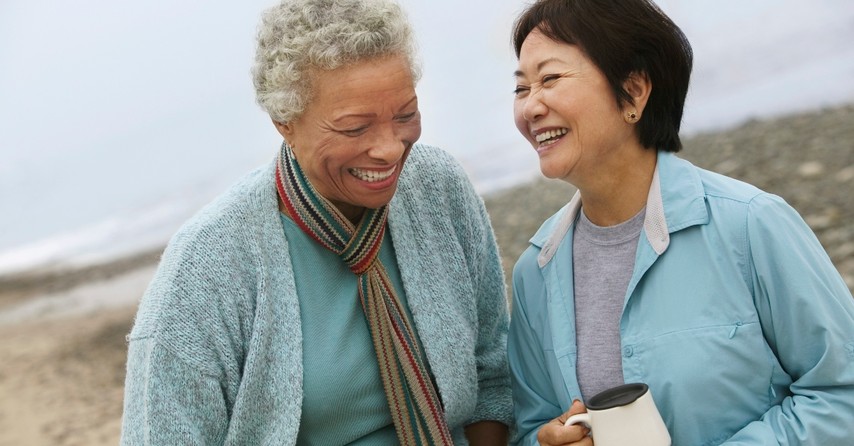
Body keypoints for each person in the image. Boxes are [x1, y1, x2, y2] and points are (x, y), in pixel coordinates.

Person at [119, 0, 512, 444]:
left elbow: (492, 374)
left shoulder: (437, 187)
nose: (389, 149)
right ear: (284, 121)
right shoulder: (205, 268)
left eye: (405, 115)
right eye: (354, 128)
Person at [505, 0, 854, 445]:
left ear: (633, 91)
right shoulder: (536, 272)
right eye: (521, 88)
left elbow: (842, 392)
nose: (530, 107)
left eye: (550, 79)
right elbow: (530, 425)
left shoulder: (751, 225)